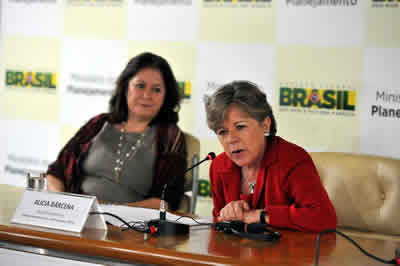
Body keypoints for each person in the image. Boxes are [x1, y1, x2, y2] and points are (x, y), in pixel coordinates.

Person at [46, 52, 187, 211]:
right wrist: (62, 205)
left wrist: (111, 212)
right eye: (140, 86)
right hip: (77, 217)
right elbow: (55, 173)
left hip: (131, 227)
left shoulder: (170, 137)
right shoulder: (98, 124)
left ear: (166, 95)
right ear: (126, 87)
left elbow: (165, 202)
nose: (147, 95)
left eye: (156, 89)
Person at [205, 81, 337, 232]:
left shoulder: (292, 159)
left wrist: (260, 216)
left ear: (265, 125)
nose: (231, 139)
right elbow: (219, 226)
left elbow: (324, 217)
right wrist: (226, 215)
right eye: (222, 132)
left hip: (289, 253)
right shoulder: (219, 167)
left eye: (240, 127)